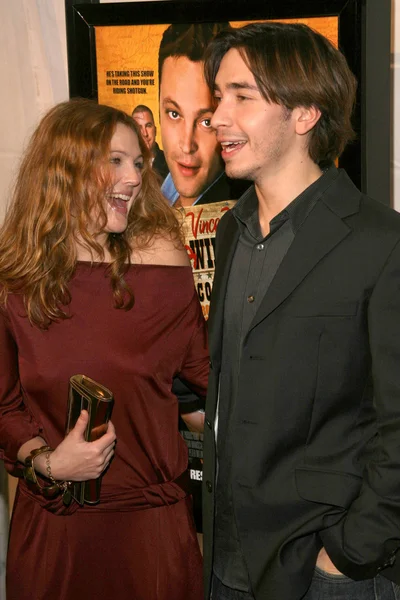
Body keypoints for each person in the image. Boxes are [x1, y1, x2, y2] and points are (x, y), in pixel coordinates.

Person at [201, 22, 400, 600]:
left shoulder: (379, 242)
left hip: (322, 572)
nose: (217, 116)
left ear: (306, 113)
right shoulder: (232, 230)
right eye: (219, 96)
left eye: (242, 96)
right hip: (225, 561)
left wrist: (349, 552)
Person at [0, 98, 208, 600]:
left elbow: (210, 382)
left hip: (150, 534)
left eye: (138, 162)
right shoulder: (16, 282)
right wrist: (50, 463)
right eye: (115, 160)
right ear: (65, 168)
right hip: (54, 534)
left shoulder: (161, 268)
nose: (134, 177)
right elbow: (5, 407)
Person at [158, 23, 249, 208]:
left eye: (206, 122)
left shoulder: (241, 214)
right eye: (174, 114)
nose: (186, 145)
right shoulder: (148, 186)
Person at [132, 103, 169, 180]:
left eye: (148, 126)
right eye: (139, 128)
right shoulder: (126, 164)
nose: (145, 134)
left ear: (155, 130)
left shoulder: (169, 163)